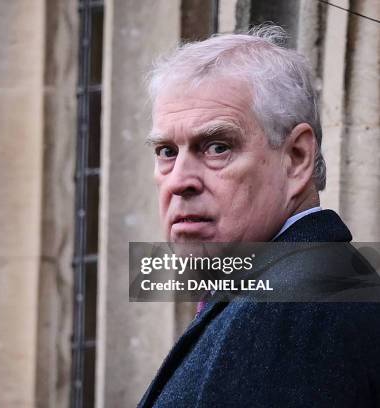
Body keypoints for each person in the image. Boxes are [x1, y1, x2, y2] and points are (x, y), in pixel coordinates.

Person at [138, 26, 380, 407]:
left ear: (297, 157)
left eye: (217, 147)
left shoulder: (294, 308)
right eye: (167, 152)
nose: (180, 181)